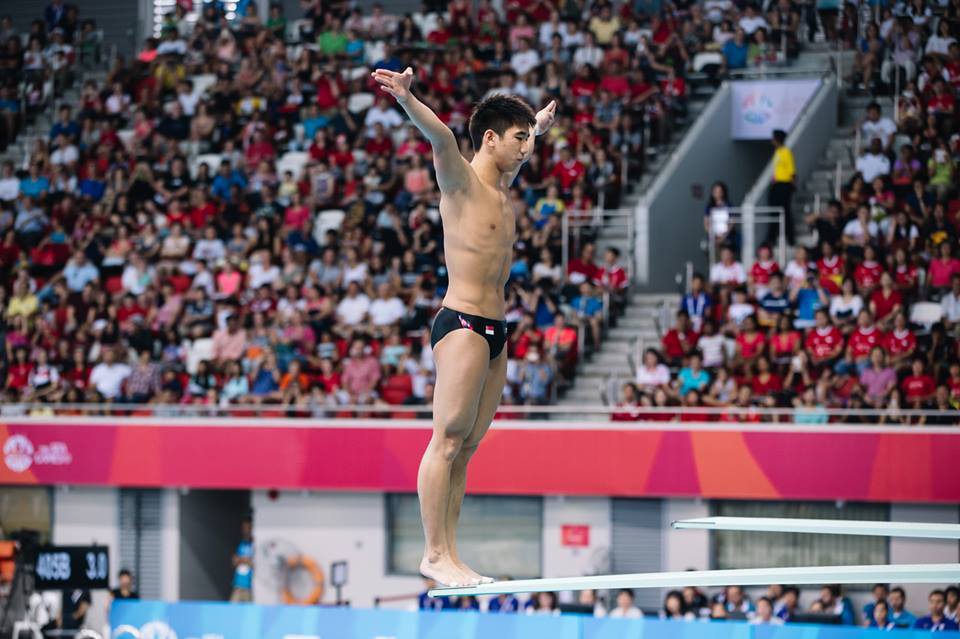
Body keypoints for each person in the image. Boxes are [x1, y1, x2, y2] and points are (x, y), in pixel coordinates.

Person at [372, 66, 556, 587]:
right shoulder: (459, 181)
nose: (526, 150)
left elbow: (522, 143)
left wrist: (536, 125)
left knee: (469, 446)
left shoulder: (503, 187)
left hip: (497, 330)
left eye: (529, 141)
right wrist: (408, 98)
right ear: (491, 138)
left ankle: (451, 554)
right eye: (518, 140)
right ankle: (432, 553)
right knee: (447, 441)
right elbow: (442, 134)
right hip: (463, 324)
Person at [768, 128, 795, 246]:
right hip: (777, 184)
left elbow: (792, 171)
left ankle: (790, 237)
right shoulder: (777, 152)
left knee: (785, 211)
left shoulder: (785, 152)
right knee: (774, 211)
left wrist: (791, 185)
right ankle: (773, 236)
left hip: (784, 184)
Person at [230, 516, 254, 602]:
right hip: (238, 585)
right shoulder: (241, 544)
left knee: (249, 613)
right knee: (232, 611)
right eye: (243, 528)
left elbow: (256, 564)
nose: (245, 531)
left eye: (248, 528)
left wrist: (244, 560)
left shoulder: (255, 545)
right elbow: (234, 562)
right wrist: (243, 560)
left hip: (250, 587)